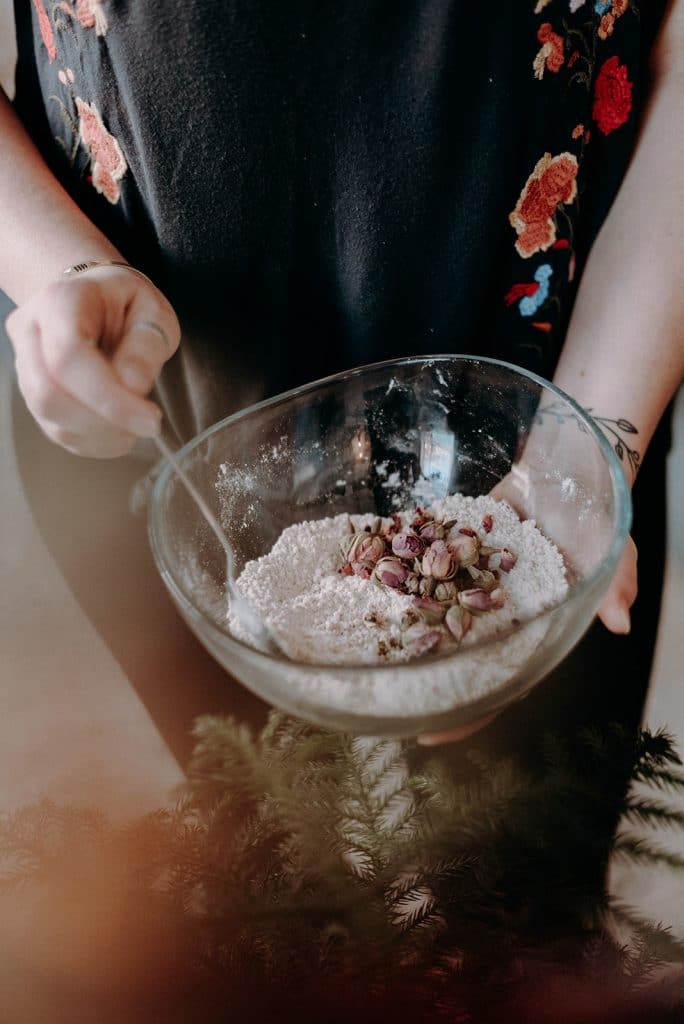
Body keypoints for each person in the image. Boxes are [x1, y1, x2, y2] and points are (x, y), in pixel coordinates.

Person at [1, 1, 682, 747]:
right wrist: (54, 269)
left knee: (523, 845)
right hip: (150, 409)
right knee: (240, 833)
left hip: (570, 401)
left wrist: (586, 445)